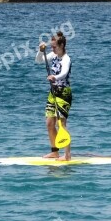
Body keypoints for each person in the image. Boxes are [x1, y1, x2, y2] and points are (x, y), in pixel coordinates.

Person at [36, 31, 72, 160]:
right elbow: (39, 60)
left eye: (54, 46)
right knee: (50, 123)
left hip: (63, 93)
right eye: (51, 46)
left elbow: (64, 73)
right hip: (53, 92)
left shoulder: (66, 59)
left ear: (61, 45)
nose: (52, 48)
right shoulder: (53, 55)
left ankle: (67, 155)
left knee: (61, 124)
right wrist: (41, 51)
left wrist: (54, 77)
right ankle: (55, 152)